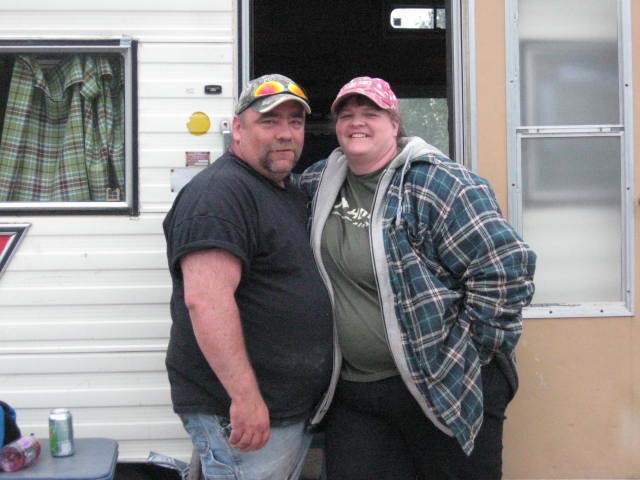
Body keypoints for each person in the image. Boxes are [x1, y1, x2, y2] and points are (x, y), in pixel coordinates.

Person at [297, 77, 536, 479]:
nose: (357, 123)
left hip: (440, 384)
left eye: (370, 113)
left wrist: (469, 351)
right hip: (355, 392)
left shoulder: (439, 183)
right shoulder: (318, 182)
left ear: (394, 124)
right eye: (347, 115)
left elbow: (506, 266)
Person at [163, 74, 334, 480]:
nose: (285, 133)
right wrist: (245, 398)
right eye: (269, 121)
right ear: (238, 128)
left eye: (295, 122)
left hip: (283, 410)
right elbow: (207, 302)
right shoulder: (219, 194)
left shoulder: (284, 191)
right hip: (245, 415)